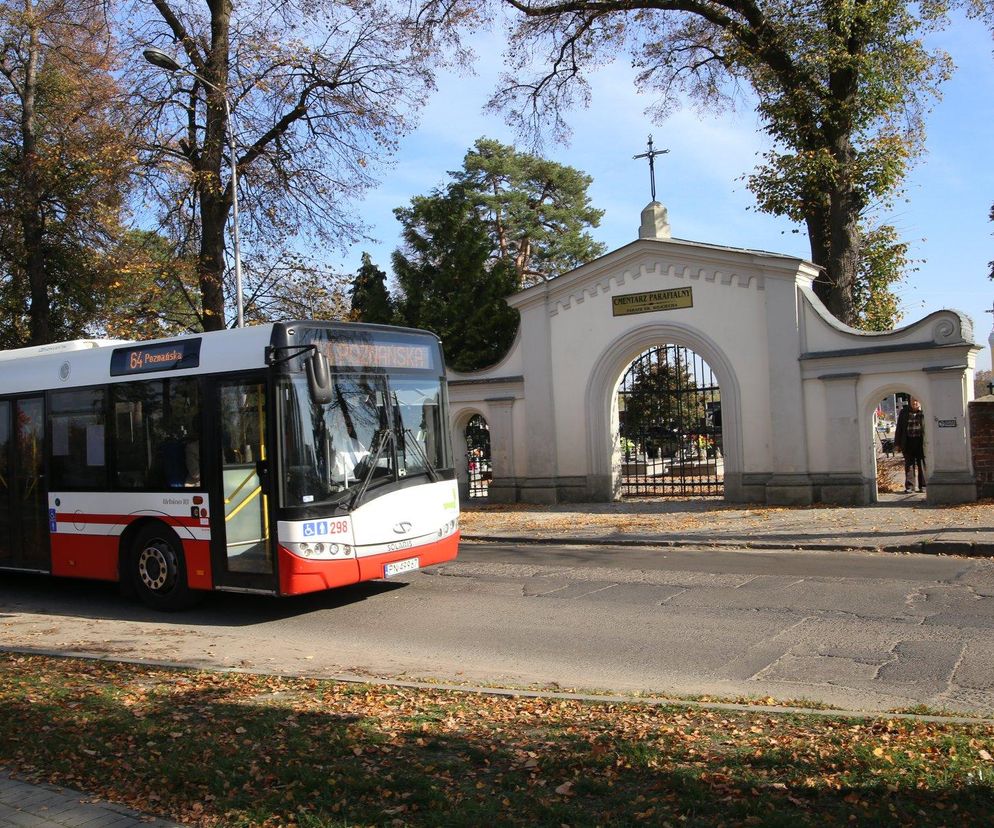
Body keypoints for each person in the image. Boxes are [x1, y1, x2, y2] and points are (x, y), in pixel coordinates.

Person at [895, 397, 926, 493]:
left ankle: (923, 486)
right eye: (913, 400)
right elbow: (899, 428)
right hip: (908, 441)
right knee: (909, 464)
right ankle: (910, 486)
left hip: (921, 441)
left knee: (922, 464)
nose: (915, 402)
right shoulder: (904, 412)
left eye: (917, 400)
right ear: (910, 401)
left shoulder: (924, 411)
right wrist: (897, 443)